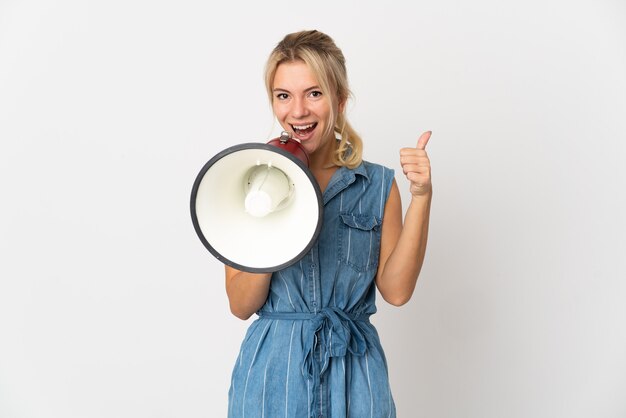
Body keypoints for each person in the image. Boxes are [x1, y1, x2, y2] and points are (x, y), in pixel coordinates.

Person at [225, 29, 432, 418]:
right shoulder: (247, 179)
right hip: (274, 378)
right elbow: (240, 304)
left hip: (355, 376)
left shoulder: (376, 186)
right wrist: (270, 214)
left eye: (314, 93)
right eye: (283, 95)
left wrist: (421, 196)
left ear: (339, 99)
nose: (297, 111)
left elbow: (397, 291)